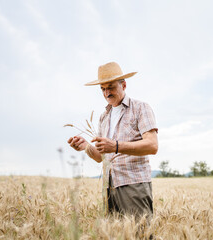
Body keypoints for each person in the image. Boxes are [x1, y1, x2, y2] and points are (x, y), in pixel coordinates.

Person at [67, 61, 158, 220]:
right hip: (109, 188)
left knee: (140, 234)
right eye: (102, 89)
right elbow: (102, 157)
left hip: (134, 185)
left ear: (124, 85)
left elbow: (152, 145)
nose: (106, 93)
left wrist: (115, 146)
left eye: (111, 87)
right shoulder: (104, 117)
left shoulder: (140, 108)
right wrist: (86, 146)